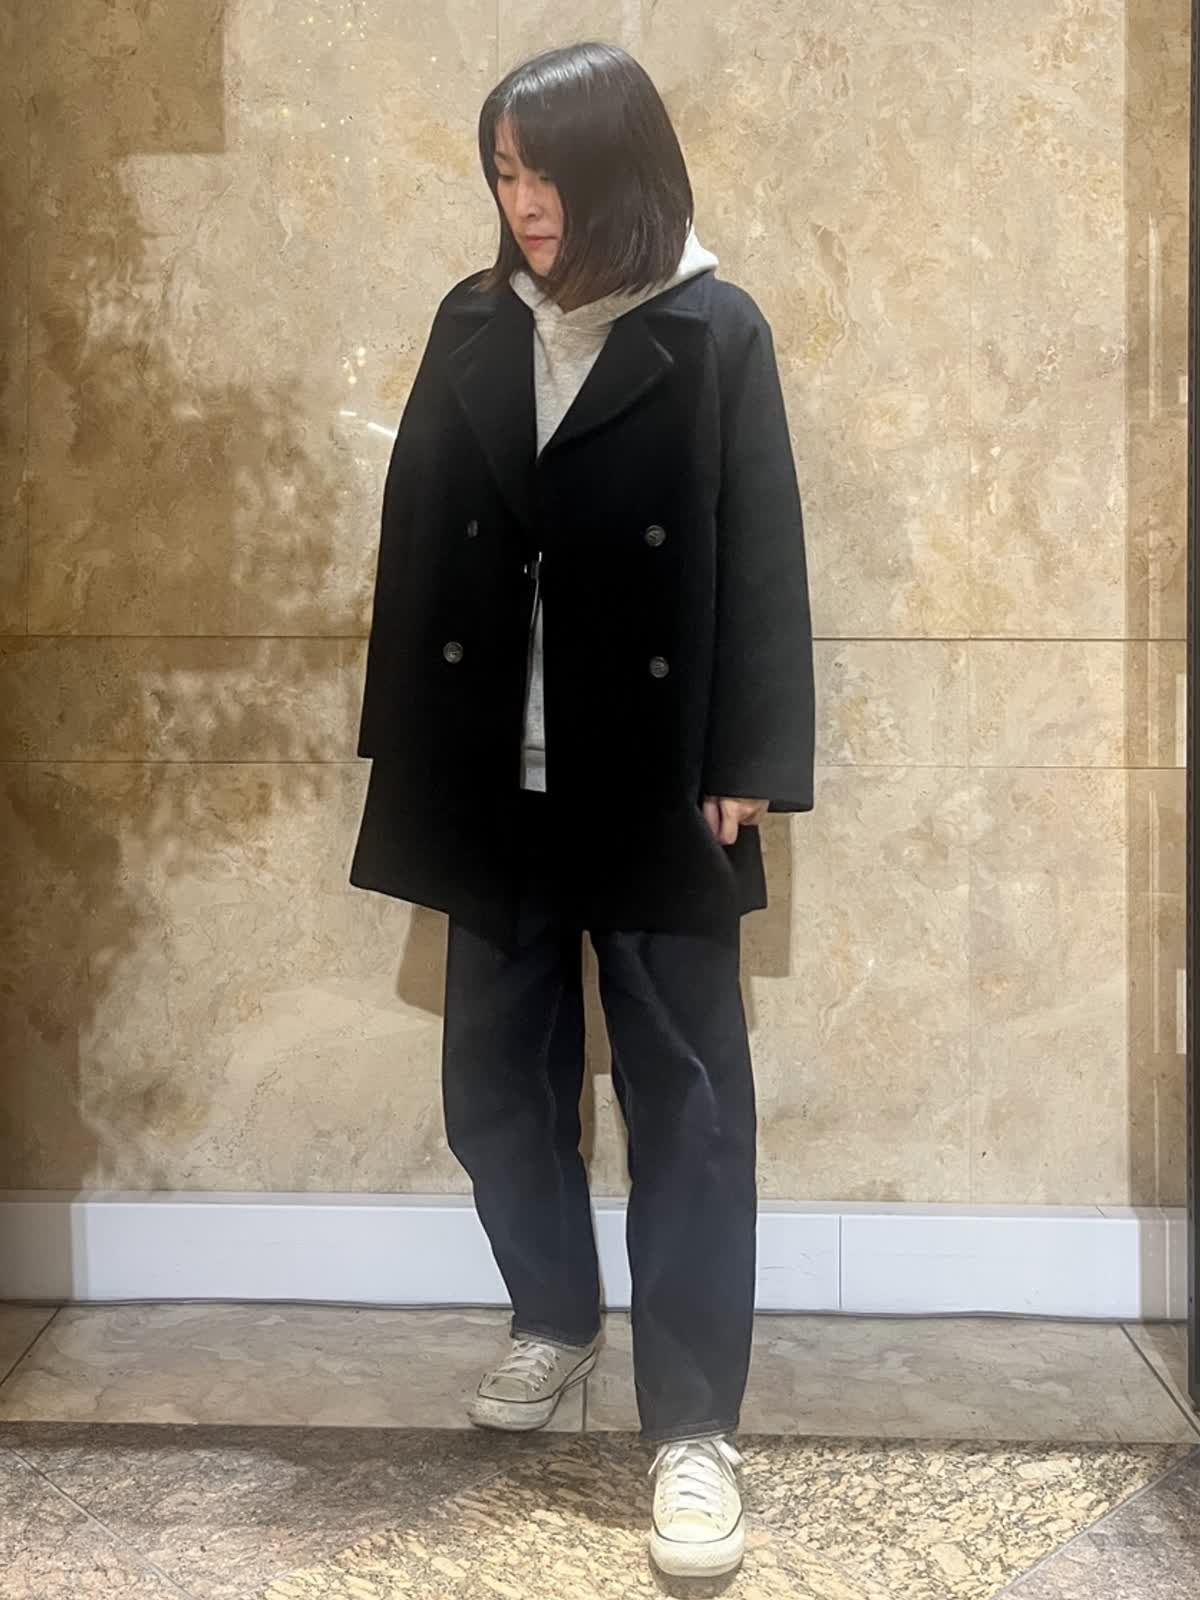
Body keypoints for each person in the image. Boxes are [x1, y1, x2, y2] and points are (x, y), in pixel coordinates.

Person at [350, 39, 815, 1580]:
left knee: (688, 1105)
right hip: (494, 776)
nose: (525, 202)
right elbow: (418, 531)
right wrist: (402, 749)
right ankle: (554, 1316)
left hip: (659, 781)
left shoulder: (711, 326)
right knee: (493, 1084)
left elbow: (762, 549)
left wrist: (750, 754)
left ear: (621, 170)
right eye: (503, 172)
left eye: (547, 171)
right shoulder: (474, 320)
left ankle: (693, 1428)